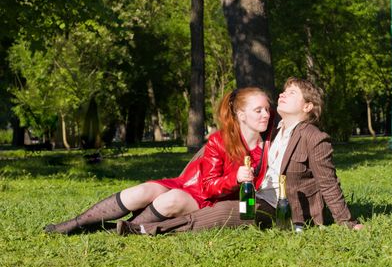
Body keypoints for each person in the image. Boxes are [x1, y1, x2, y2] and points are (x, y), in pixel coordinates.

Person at [116, 77, 362, 235]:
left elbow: (328, 183)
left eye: (292, 93)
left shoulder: (313, 137)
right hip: (259, 196)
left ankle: (147, 229)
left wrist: (347, 222)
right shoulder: (273, 131)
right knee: (228, 207)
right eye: (284, 91)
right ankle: (140, 222)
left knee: (227, 213)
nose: (282, 95)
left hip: (284, 208)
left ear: (307, 107)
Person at [44, 87, 273, 235]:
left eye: (267, 109)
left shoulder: (269, 147)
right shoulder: (219, 140)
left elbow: (212, 193)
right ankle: (76, 223)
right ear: (241, 115)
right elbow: (206, 183)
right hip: (194, 186)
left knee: (170, 200)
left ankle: (122, 231)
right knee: (141, 192)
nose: (266, 114)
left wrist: (235, 181)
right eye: (258, 110)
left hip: (206, 201)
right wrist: (235, 177)